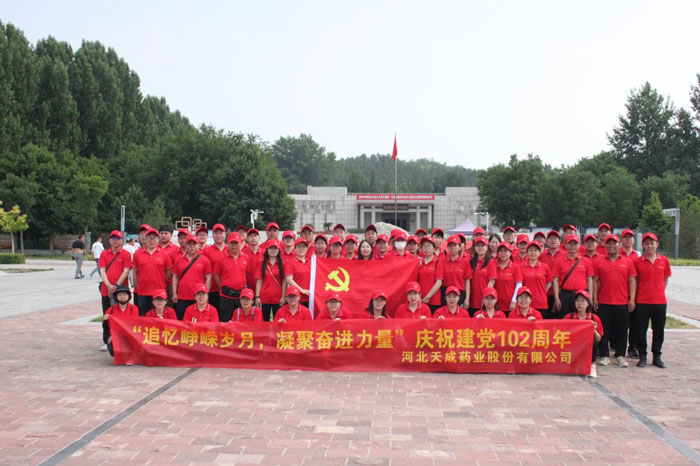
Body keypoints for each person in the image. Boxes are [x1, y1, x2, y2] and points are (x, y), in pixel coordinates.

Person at [593, 234, 637, 368]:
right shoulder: (599, 261)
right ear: (605, 245)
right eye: (609, 243)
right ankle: (604, 355)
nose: (612, 246)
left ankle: (620, 355)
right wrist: (594, 298)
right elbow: (596, 281)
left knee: (621, 331)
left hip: (622, 302)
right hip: (604, 302)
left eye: (614, 243)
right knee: (604, 331)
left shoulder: (628, 262)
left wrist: (632, 299)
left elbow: (632, 281)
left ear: (619, 245)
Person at [632, 233, 671, 368]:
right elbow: (635, 281)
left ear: (657, 244)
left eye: (652, 243)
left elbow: (665, 279)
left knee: (658, 330)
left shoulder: (664, 260)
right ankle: (642, 356)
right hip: (642, 301)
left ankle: (657, 356)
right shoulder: (637, 262)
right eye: (646, 244)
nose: (649, 246)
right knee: (640, 330)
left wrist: (658, 291)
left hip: (659, 301)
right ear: (642, 245)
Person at [133, 227, 173, 315]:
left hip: (159, 291)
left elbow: (169, 270)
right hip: (143, 291)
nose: (152, 240)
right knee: (144, 315)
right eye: (149, 238)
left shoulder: (164, 254)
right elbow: (135, 271)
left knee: (159, 315)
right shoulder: (138, 253)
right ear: (145, 239)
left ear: (158, 240)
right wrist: (138, 285)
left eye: (154, 238)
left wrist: (162, 280)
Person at [564, 289, 603, 377]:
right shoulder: (569, 317)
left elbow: (598, 339)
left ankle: (592, 365)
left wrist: (594, 330)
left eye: (583, 301)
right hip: (573, 345)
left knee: (593, 341)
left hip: (587, 345)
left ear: (588, 303)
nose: (580, 304)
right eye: (577, 301)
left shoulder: (594, 318)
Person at [552, 235, 593, 319]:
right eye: (570, 244)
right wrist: (556, 298)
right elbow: (555, 280)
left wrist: (590, 297)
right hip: (565, 295)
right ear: (565, 245)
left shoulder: (585, 261)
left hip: (581, 295)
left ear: (579, 245)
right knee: (564, 319)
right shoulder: (559, 261)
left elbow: (589, 279)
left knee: (581, 319)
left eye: (575, 244)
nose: (572, 246)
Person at [172, 235, 212, 320]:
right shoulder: (178, 259)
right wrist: (174, 293)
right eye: (189, 244)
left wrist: (206, 294)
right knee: (182, 321)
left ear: (198, 245)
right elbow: (175, 277)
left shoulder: (205, 260)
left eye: (194, 244)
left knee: (198, 321)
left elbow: (208, 277)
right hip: (182, 296)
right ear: (186, 245)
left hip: (198, 297)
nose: (192, 247)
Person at [214, 232, 250, 322]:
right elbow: (216, 275)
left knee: (240, 322)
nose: (234, 246)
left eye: (236, 243)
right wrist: (222, 287)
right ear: (227, 243)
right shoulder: (221, 258)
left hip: (240, 297)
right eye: (231, 243)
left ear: (240, 243)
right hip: (226, 296)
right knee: (225, 322)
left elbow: (247, 274)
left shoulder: (245, 258)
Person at [98, 230, 133, 316]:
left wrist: (116, 286)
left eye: (118, 238)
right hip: (106, 289)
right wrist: (109, 286)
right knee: (107, 314)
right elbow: (102, 271)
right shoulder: (104, 254)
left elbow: (126, 271)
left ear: (121, 241)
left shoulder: (126, 254)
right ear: (109, 240)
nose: (115, 241)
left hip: (121, 290)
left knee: (121, 315)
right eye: (113, 238)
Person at [102, 285, 139, 357]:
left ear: (129, 296)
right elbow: (105, 327)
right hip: (114, 335)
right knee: (113, 351)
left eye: (125, 294)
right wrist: (111, 336)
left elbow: (134, 325)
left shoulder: (134, 308)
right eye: (120, 295)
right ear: (116, 297)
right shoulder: (111, 309)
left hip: (129, 335)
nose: (122, 297)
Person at [255, 240, 286, 321]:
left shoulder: (283, 264)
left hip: (278, 297)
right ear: (267, 250)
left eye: (275, 248)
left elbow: (284, 282)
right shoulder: (261, 263)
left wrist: (283, 297)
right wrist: (257, 297)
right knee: (264, 321)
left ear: (279, 250)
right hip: (264, 298)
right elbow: (259, 281)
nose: (273, 250)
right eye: (270, 248)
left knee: (278, 321)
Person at [521, 241, 552, 318]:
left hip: (541, 302)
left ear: (539, 252)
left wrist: (543, 291)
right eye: (530, 250)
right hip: (525, 302)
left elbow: (549, 282)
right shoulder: (521, 266)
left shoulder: (545, 266)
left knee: (540, 324)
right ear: (527, 252)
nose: (533, 252)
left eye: (535, 250)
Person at [467, 236, 497, 316]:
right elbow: (468, 281)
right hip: (472, 300)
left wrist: (485, 298)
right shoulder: (471, 262)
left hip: (485, 301)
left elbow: (491, 281)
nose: (480, 248)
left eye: (482, 246)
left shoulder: (491, 262)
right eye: (478, 245)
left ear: (487, 248)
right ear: (474, 247)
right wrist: (467, 298)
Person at [203, 223, 228, 311]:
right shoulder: (207, 251)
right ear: (212, 235)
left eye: (221, 233)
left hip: (227, 290)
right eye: (216, 233)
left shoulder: (230, 250)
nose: (218, 236)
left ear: (225, 234)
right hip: (212, 289)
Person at [442, 235, 472, 307]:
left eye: (455, 245)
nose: (452, 247)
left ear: (459, 247)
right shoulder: (443, 262)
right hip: (446, 293)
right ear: (447, 247)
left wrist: (467, 299)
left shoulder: (465, 262)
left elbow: (467, 282)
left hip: (460, 293)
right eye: (450, 245)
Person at [417, 237, 445, 314]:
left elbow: (439, 282)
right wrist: (418, 296)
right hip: (420, 299)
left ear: (434, 248)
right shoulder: (419, 262)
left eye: (429, 246)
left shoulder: (438, 262)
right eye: (424, 246)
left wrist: (428, 297)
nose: (426, 248)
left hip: (434, 300)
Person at [494, 242, 522, 315]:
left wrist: (514, 301)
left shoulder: (515, 267)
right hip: (496, 304)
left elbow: (519, 285)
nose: (503, 253)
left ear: (510, 253)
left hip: (511, 304)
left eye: (505, 251)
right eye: (501, 251)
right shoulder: (494, 266)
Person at [285, 238, 312, 305]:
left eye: (304, 247)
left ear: (307, 249)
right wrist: (301, 290)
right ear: (295, 249)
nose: (301, 249)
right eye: (299, 247)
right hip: (296, 297)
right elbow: (289, 280)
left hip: (310, 296)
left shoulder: (311, 262)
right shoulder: (290, 262)